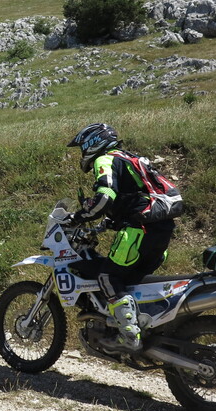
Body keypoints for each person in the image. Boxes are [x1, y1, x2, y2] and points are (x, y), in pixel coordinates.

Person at [67, 123, 176, 352]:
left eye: (82, 148)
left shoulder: (105, 159)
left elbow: (105, 195)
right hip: (161, 230)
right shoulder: (130, 158)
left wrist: (79, 217)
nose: (82, 153)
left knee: (108, 277)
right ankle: (146, 329)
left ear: (92, 143)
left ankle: (129, 337)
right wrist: (111, 222)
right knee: (130, 282)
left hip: (139, 231)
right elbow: (137, 196)